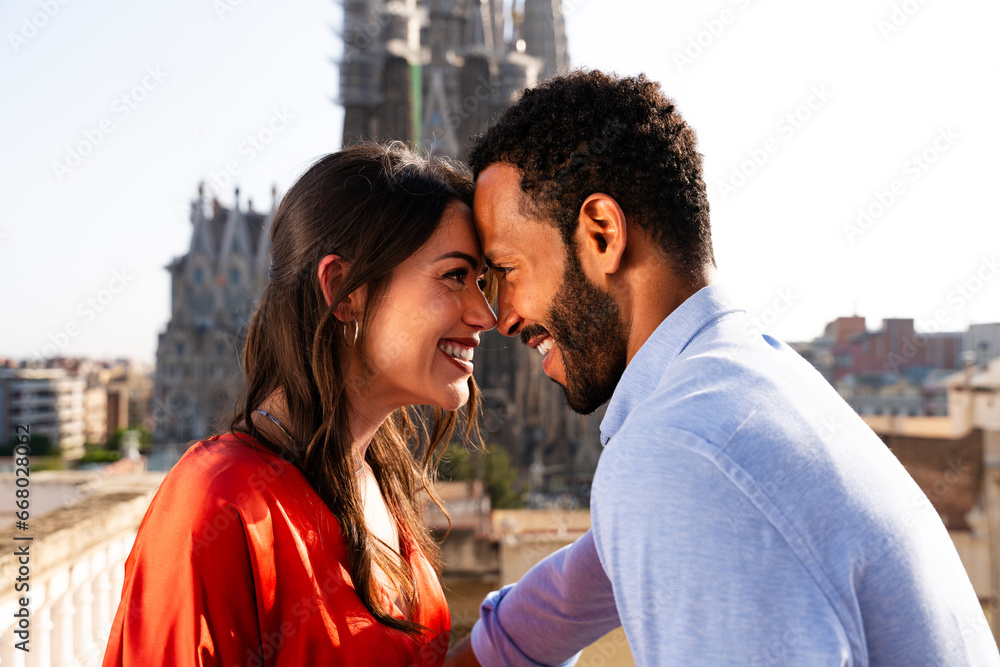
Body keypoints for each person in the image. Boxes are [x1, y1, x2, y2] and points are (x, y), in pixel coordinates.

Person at [445, 70, 999, 666]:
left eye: (506, 270)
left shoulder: (679, 452)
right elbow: (565, 599)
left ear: (601, 235)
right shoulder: (748, 387)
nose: (499, 316)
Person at [102, 142, 497, 666]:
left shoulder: (376, 477)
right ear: (343, 290)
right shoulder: (219, 502)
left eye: (483, 282)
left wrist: (524, 632)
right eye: (455, 276)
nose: (485, 314)